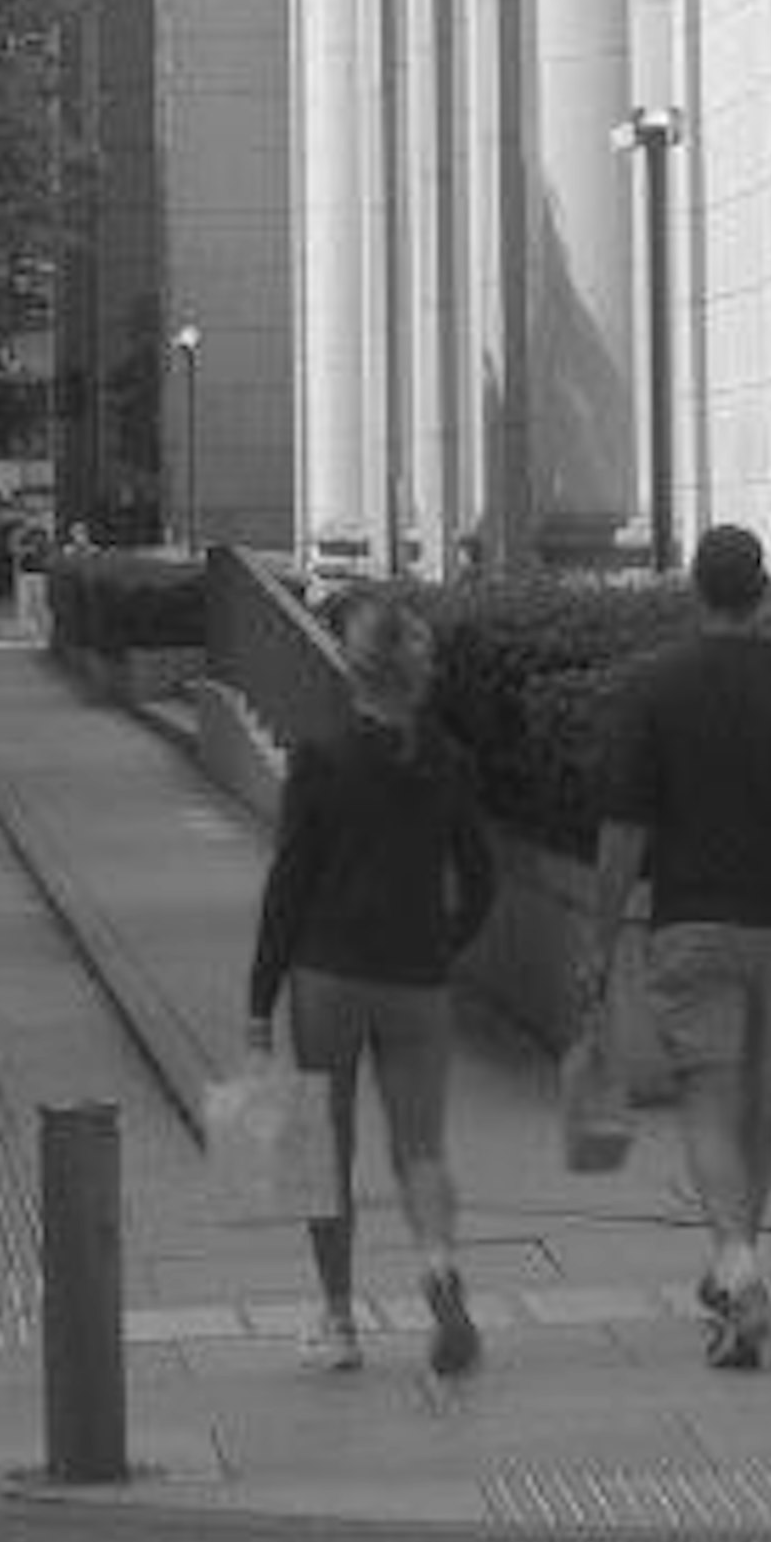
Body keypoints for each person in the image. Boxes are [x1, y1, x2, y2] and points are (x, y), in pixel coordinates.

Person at [579, 522, 771, 1373]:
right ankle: (740, 1264)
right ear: (765, 589)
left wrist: (600, 939)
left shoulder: (654, 689)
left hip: (690, 925)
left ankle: (736, 1261)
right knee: (759, 1099)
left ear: (694, 590)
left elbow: (624, 827)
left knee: (707, 1101)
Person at [242, 586, 497, 1381]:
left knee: (320, 1148)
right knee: (421, 1146)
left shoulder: (321, 758)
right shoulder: (448, 761)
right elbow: (482, 879)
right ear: (416, 674)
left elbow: (289, 883)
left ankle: (339, 1321)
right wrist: (446, 943)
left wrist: (258, 1001)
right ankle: (435, 1263)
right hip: (417, 974)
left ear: (352, 672)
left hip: (327, 975)